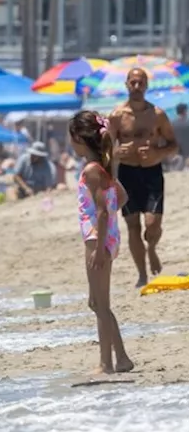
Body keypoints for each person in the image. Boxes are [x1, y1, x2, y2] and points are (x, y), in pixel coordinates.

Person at [69, 110, 134, 374]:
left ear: (80, 139)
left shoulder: (92, 170)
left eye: (71, 139)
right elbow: (122, 198)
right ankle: (122, 358)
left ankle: (106, 363)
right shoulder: (104, 170)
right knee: (96, 303)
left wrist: (99, 248)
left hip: (97, 239)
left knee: (101, 304)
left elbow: (105, 211)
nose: (71, 145)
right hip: (104, 238)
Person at [109, 68, 179, 288]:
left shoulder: (157, 115)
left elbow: (173, 145)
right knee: (132, 227)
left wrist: (157, 153)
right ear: (127, 85)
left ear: (147, 86)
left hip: (152, 173)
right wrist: (116, 154)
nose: (136, 87)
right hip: (127, 174)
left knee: (152, 225)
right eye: (133, 83)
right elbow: (105, 149)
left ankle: (152, 248)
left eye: (140, 83)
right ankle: (141, 274)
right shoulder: (117, 116)